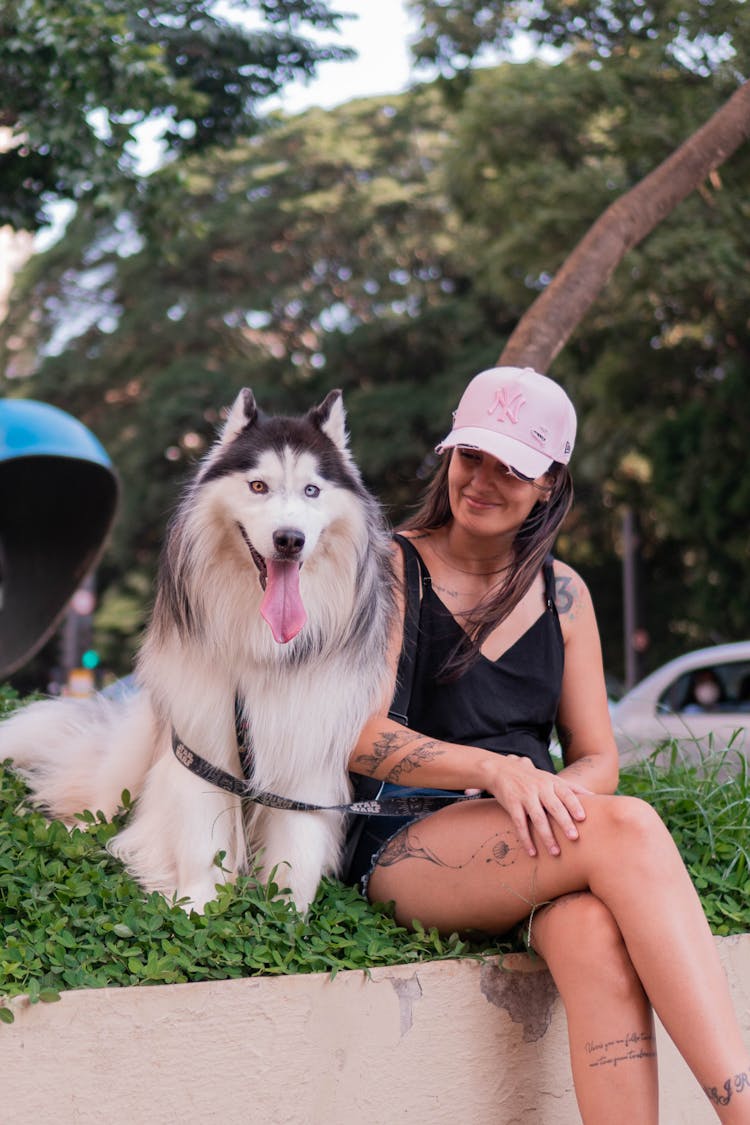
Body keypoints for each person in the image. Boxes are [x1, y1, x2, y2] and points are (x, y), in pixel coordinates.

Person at [344, 366, 750, 1124]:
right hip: (403, 839)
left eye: (512, 468)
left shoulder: (564, 593)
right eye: (472, 457)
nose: (484, 481)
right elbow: (361, 737)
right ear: (449, 455)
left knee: (593, 933)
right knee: (629, 825)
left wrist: (546, 796)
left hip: (526, 836)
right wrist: (499, 772)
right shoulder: (392, 569)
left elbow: (597, 755)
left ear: (548, 483)